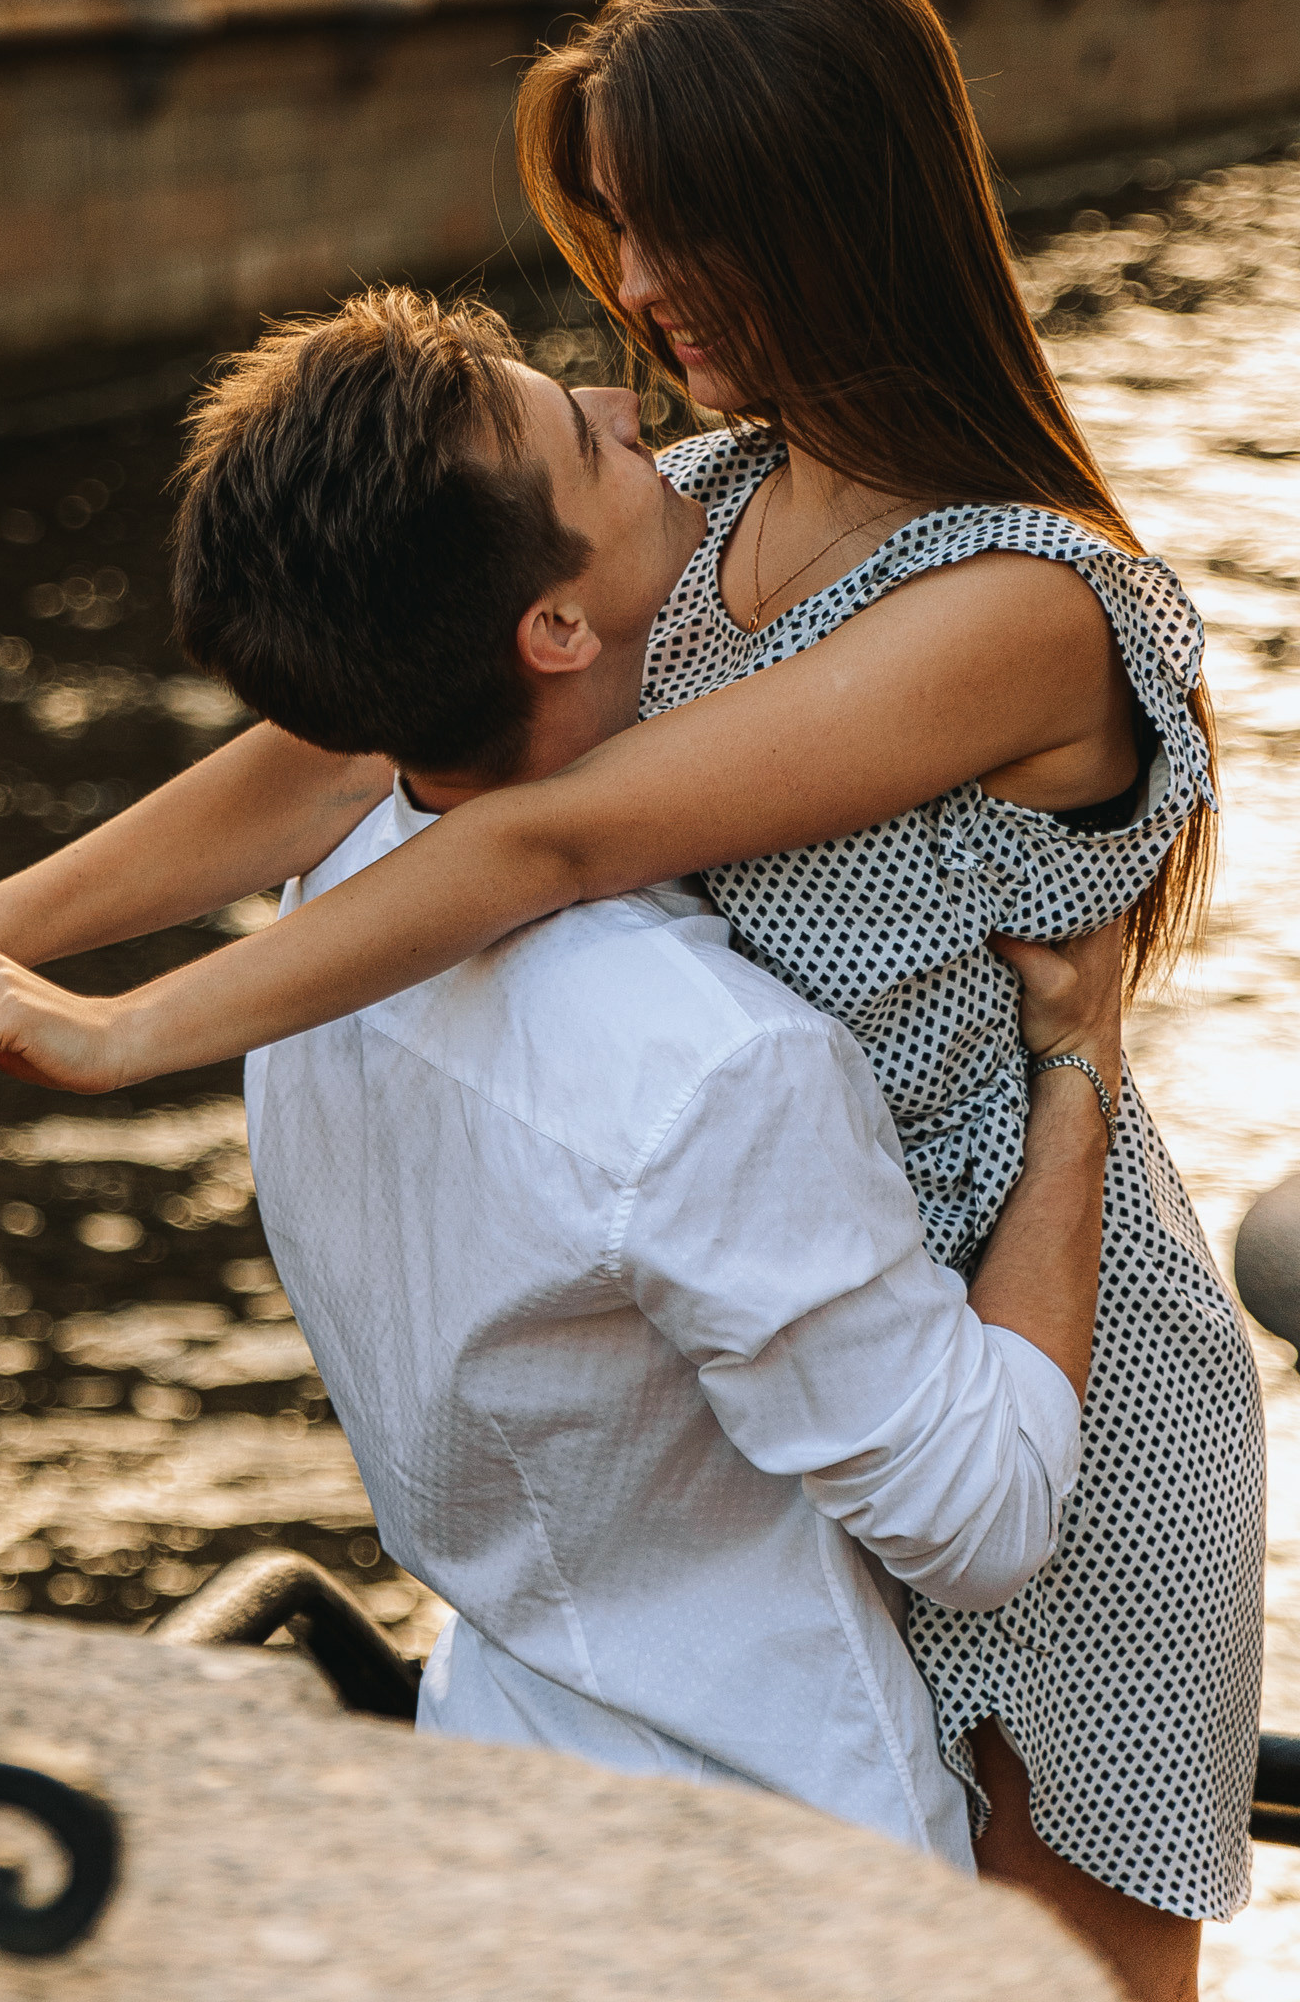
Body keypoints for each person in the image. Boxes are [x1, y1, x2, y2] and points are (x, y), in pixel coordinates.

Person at [0, 0, 1261, 2002]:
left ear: (830, 218)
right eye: (618, 232)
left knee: (1049, 1987)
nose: (627, 298)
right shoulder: (709, 494)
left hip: (1048, 1396)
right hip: (799, 1373)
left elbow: (543, 834)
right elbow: (332, 753)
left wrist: (117, 1039)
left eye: (675, 237)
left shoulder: (1012, 600)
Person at [170, 289, 1118, 1865]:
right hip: (784, 1870)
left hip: (503, 1775)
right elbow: (983, 1515)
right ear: (553, 628)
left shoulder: (318, 918)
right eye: (578, 440)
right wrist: (1077, 1067)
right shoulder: (710, 1066)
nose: (629, 413)